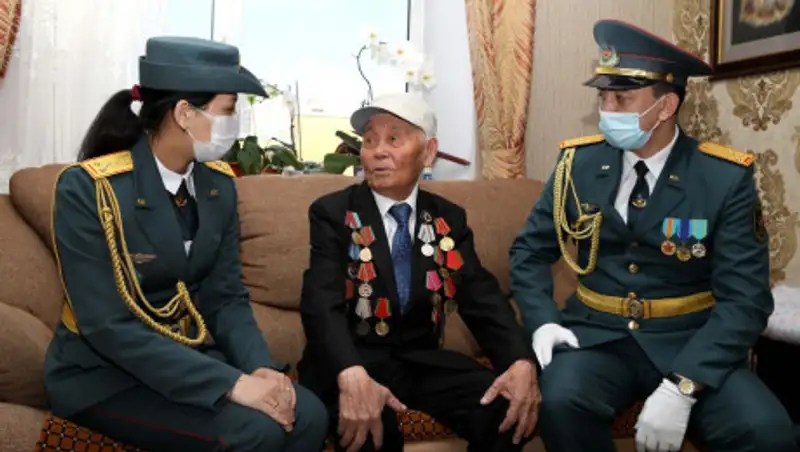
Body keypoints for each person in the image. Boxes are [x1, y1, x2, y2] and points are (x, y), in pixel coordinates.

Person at [510, 19, 797, 452]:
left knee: (766, 432)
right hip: (599, 337)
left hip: (691, 338)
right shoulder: (577, 166)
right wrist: (543, 320)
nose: (607, 109)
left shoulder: (723, 177)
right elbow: (529, 250)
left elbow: (746, 299)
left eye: (622, 98)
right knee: (562, 402)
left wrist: (684, 385)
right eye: (603, 96)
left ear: (666, 106)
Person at [44, 36, 328, 452]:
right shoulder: (90, 189)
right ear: (184, 113)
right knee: (256, 431)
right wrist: (232, 384)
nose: (236, 123)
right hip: (104, 375)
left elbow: (225, 297)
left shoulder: (217, 185)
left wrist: (260, 368)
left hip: (188, 360)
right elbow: (107, 326)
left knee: (310, 415)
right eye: (228, 110)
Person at [297, 92, 540, 452]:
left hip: (420, 361)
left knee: (505, 411)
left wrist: (520, 361)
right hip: (350, 362)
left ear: (428, 152)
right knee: (374, 432)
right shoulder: (333, 213)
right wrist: (349, 372)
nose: (378, 151)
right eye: (369, 141)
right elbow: (321, 302)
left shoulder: (447, 218)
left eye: (394, 139)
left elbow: (480, 295)